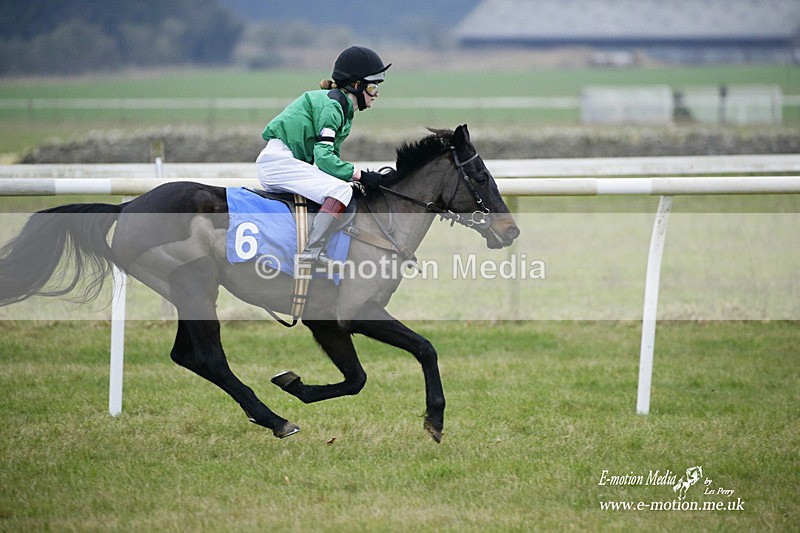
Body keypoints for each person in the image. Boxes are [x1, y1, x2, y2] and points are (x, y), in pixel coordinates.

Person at [256, 46, 390, 267]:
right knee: (340, 190)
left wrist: (354, 177)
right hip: (280, 162)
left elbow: (329, 159)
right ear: (357, 86)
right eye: (374, 88)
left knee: (342, 186)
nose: (376, 96)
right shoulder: (332, 107)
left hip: (287, 161)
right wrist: (360, 175)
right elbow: (325, 159)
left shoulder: (342, 108)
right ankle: (312, 252)